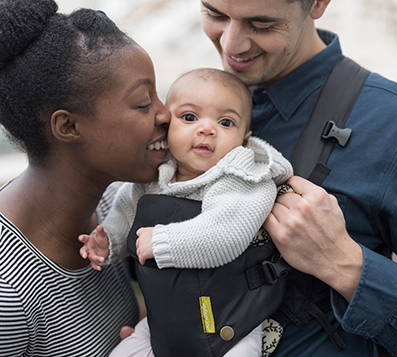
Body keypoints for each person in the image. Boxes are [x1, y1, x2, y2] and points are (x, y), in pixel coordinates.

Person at [198, 0, 397, 356]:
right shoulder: (195, 106)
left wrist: (344, 265)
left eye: (262, 24)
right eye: (214, 14)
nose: (231, 44)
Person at [79, 68, 293, 357]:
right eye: (189, 117)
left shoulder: (240, 178)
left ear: (244, 138)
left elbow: (225, 235)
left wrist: (164, 241)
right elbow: (126, 209)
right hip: (168, 316)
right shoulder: (156, 175)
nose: (207, 129)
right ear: (168, 125)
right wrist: (110, 241)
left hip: (232, 319)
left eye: (226, 122)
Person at [0, 0, 171, 355]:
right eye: (143, 103)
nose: (165, 114)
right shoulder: (9, 295)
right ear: (68, 126)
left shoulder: (118, 205)